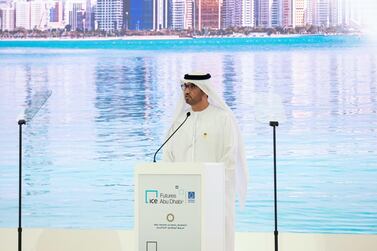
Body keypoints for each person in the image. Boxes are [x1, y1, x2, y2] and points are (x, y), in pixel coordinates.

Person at [163, 73, 248, 251]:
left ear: (205, 90)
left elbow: (229, 158)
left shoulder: (223, 119)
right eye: (184, 86)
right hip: (183, 197)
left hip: (215, 194)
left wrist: (211, 183)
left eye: (191, 86)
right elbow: (168, 157)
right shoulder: (179, 121)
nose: (186, 91)